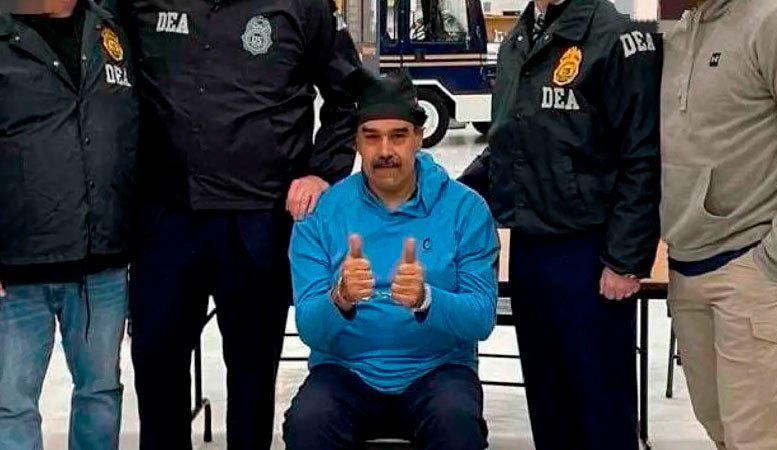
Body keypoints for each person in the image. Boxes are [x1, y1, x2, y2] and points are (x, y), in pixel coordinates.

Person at [116, 0, 365, 447]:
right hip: (165, 220)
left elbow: (349, 94)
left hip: (257, 222)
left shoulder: (303, 6)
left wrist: (322, 171)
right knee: (156, 367)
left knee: (252, 375)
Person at [459, 0, 661, 448]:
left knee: (600, 406)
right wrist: (449, 196)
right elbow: (507, 141)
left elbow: (643, 156)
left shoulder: (617, 39)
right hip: (530, 249)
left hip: (590, 254)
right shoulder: (519, 40)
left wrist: (625, 259)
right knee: (548, 401)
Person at [284, 70, 498, 450]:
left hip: (438, 371)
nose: (385, 150)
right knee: (307, 425)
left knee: (457, 427)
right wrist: (340, 298)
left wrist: (427, 299)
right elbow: (310, 329)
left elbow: (481, 318)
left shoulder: (465, 210)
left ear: (419, 136)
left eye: (398, 135)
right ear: (356, 141)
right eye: (371, 136)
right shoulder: (322, 214)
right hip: (344, 373)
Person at [660, 0, 777, 448]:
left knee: (754, 440)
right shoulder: (683, 30)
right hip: (687, 265)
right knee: (718, 429)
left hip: (752, 267)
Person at [0, 0, 138, 449]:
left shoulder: (109, 29)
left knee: (100, 392)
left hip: (102, 263)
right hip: (17, 268)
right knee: (11, 403)